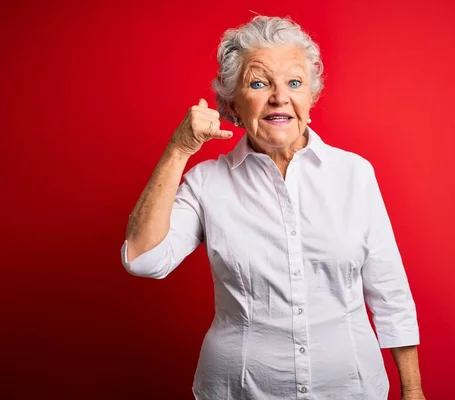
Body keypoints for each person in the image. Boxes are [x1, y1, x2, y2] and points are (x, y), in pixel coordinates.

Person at [121, 15, 425, 400]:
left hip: (352, 388)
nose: (280, 97)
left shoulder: (354, 173)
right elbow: (144, 260)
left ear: (311, 97)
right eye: (259, 82)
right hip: (238, 390)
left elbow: (389, 289)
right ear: (232, 101)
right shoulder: (206, 182)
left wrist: (412, 389)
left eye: (295, 83)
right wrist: (179, 149)